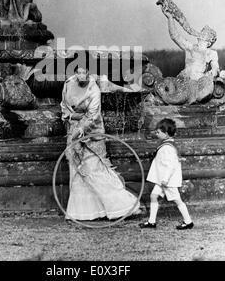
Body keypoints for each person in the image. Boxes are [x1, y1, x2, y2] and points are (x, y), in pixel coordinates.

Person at [60, 67, 141, 221]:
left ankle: (120, 206)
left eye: (84, 73)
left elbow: (93, 115)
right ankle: (84, 212)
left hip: (91, 135)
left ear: (89, 74)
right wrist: (71, 119)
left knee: (94, 169)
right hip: (73, 129)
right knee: (77, 170)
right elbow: (64, 106)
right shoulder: (68, 84)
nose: (81, 75)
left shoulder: (94, 89)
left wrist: (80, 129)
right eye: (78, 73)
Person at [139, 118, 194, 230]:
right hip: (162, 180)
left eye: (159, 132)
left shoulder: (167, 148)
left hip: (167, 181)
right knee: (153, 196)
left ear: (166, 134)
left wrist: (165, 179)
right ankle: (151, 222)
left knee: (177, 200)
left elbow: (170, 166)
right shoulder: (166, 145)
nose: (156, 134)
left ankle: (188, 222)